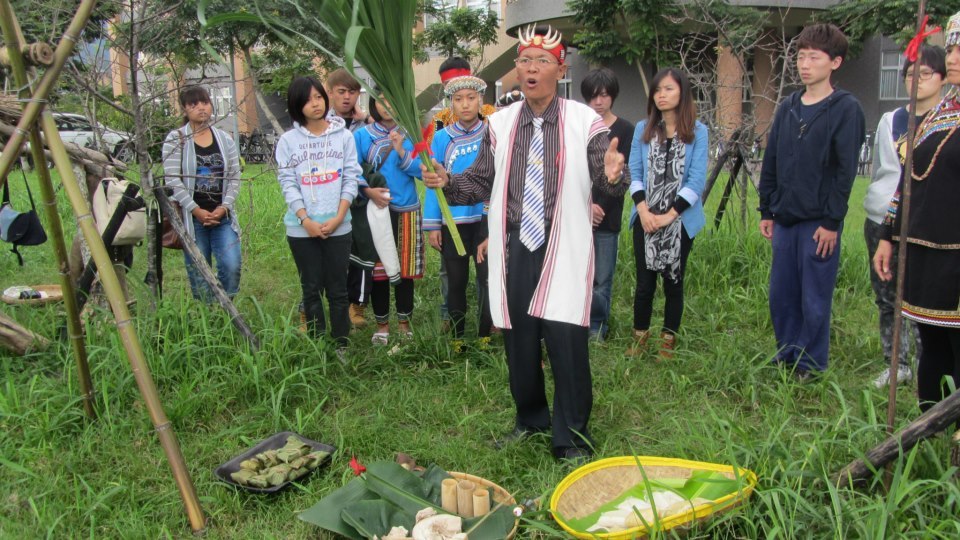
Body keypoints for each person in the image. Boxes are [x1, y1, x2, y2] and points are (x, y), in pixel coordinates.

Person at [423, 25, 628, 462]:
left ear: (561, 68)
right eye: (524, 61)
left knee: (566, 336)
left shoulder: (582, 122)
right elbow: (479, 179)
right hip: (516, 245)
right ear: (516, 70)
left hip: (563, 243)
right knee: (519, 336)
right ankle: (530, 418)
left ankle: (571, 435)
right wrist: (448, 181)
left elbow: (601, 176)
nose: (530, 68)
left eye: (541, 61)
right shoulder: (498, 124)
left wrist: (612, 176)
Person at [758, 23, 865, 381]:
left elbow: (845, 171)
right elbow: (771, 159)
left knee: (814, 295)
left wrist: (832, 222)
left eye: (813, 57)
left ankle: (811, 362)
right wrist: (767, 209)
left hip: (819, 221)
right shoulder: (789, 105)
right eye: (801, 56)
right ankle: (787, 351)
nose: (805, 64)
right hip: (785, 218)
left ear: (835, 62)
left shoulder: (845, 109)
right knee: (782, 292)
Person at [874, 16, 960, 412]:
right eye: (952, 49)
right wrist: (889, 235)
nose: (953, 57)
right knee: (933, 345)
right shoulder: (938, 114)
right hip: (924, 250)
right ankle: (931, 430)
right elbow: (907, 183)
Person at [865, 45, 945, 388]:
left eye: (925, 74)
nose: (916, 81)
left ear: (942, 77)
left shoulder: (949, 120)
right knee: (886, 294)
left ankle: (932, 364)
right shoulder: (892, 120)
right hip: (884, 218)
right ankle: (895, 362)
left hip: (928, 224)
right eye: (911, 75)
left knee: (923, 299)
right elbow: (885, 171)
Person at [625, 68, 707, 360]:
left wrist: (670, 215)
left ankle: (667, 342)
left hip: (681, 221)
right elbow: (634, 172)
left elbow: (696, 180)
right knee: (644, 284)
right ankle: (639, 338)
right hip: (645, 218)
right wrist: (643, 210)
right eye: (658, 90)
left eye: (669, 89)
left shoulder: (698, 132)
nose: (661, 95)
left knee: (674, 282)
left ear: (682, 93)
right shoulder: (642, 129)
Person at [275, 76, 359, 357]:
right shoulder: (288, 141)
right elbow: (287, 182)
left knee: (338, 289)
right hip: (302, 230)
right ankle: (317, 344)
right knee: (311, 289)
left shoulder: (344, 136)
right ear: (297, 104)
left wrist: (338, 217)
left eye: (319, 97)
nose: (316, 103)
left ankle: (341, 344)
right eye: (309, 99)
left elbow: (351, 177)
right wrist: (305, 220)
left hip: (339, 226)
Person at [423, 58, 493, 340]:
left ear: (480, 101)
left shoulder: (492, 132)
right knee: (456, 283)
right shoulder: (441, 137)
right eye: (458, 99)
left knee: (487, 280)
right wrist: (433, 224)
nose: (465, 104)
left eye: (471, 98)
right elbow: (433, 182)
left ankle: (486, 336)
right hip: (453, 222)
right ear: (450, 103)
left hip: (485, 220)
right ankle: (457, 341)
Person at [162, 85, 242, 300]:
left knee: (232, 265)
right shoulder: (176, 139)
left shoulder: (224, 139)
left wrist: (224, 206)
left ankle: (226, 309)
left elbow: (235, 176)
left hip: (222, 217)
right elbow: (172, 179)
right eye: (193, 104)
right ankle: (206, 317)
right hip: (192, 219)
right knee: (199, 271)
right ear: (184, 109)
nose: (201, 108)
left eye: (205, 102)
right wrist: (196, 210)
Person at [355, 94, 423, 345]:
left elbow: (423, 171)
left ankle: (405, 323)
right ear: (373, 103)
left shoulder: (410, 133)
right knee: (379, 271)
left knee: (405, 271)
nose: (387, 106)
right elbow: (352, 169)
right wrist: (368, 191)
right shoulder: (362, 136)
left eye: (392, 99)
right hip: (375, 210)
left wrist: (401, 150)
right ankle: (382, 325)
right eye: (382, 100)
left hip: (406, 208)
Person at [581, 67, 635, 340]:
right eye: (593, 97)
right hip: (579, 214)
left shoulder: (625, 129)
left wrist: (599, 207)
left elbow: (622, 175)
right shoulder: (579, 126)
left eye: (603, 96)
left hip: (608, 216)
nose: (598, 102)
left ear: (612, 96)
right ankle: (577, 322)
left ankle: (597, 327)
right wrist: (586, 206)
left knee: (602, 277)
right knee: (579, 276)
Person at [326, 68, 373, 328]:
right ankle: (309, 309)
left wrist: (366, 119)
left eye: (352, 92)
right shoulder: (319, 121)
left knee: (359, 253)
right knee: (325, 255)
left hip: (358, 199)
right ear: (330, 92)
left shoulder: (365, 124)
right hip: (326, 198)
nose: (347, 97)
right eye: (341, 92)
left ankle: (357, 306)